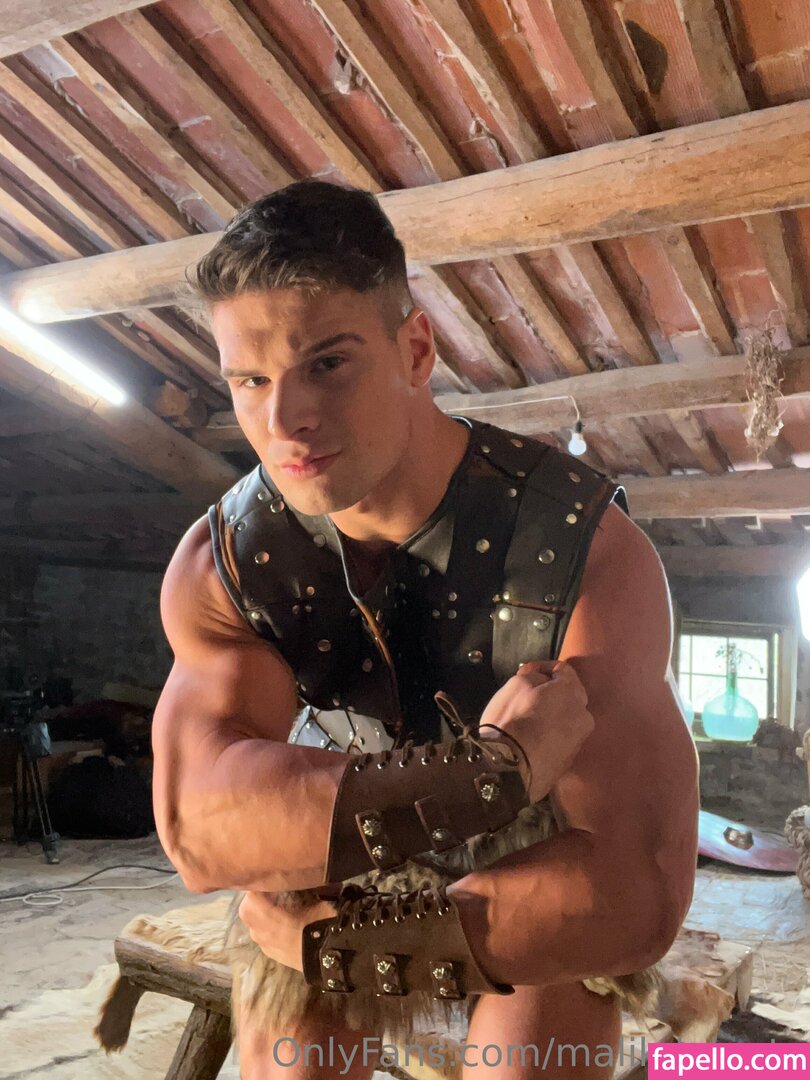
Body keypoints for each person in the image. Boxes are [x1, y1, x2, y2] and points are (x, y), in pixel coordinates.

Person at [152, 181, 699, 1079]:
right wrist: (491, 771)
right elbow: (198, 828)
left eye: (328, 363)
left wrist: (342, 950)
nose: (284, 420)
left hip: (534, 848)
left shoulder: (584, 550)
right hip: (340, 842)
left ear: (415, 349)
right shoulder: (229, 559)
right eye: (250, 381)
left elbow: (635, 893)